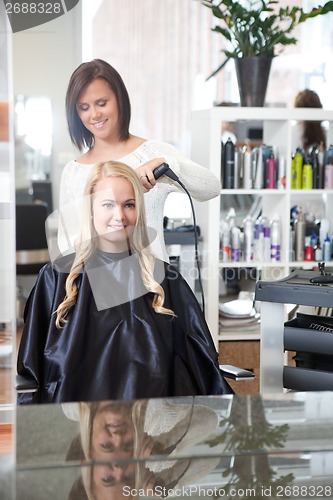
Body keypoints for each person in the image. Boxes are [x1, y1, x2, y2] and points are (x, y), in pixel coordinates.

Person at [17, 161, 233, 404]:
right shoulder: (56, 279)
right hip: (73, 429)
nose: (119, 216)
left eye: (128, 205)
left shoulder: (163, 280)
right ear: (90, 209)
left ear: (138, 210)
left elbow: (201, 365)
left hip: (150, 428)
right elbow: (30, 376)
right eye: (107, 204)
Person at [58, 58, 221, 262]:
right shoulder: (74, 172)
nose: (95, 114)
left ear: (119, 99)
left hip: (153, 286)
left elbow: (212, 188)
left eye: (102, 103)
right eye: (84, 107)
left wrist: (166, 165)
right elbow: (67, 244)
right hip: (96, 289)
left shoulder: (152, 153)